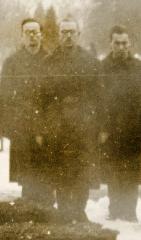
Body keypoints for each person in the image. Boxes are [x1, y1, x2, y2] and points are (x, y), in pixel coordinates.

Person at [40, 18, 102, 222]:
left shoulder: (90, 61)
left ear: (78, 34)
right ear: (59, 34)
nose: (68, 36)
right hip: (57, 125)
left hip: (84, 126)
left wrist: (101, 126)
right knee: (60, 169)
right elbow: (41, 98)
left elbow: (99, 96)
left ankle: (79, 210)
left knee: (82, 170)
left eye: (72, 32)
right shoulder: (48, 62)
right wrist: (42, 127)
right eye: (64, 32)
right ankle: (64, 210)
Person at [0, 18, 53, 207]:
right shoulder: (12, 62)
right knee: (27, 172)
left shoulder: (51, 59)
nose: (32, 35)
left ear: (41, 34)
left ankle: (46, 209)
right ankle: (30, 208)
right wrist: (8, 126)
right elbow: (5, 96)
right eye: (28, 32)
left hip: (47, 122)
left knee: (47, 170)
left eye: (35, 31)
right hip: (22, 124)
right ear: (22, 35)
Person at [98, 25, 141, 222]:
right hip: (110, 129)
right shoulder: (102, 68)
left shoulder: (139, 67)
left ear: (130, 43)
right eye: (117, 43)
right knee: (113, 172)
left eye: (125, 43)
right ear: (111, 43)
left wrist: (140, 127)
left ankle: (130, 211)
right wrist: (102, 128)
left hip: (132, 127)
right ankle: (115, 209)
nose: (121, 47)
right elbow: (98, 100)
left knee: (131, 173)